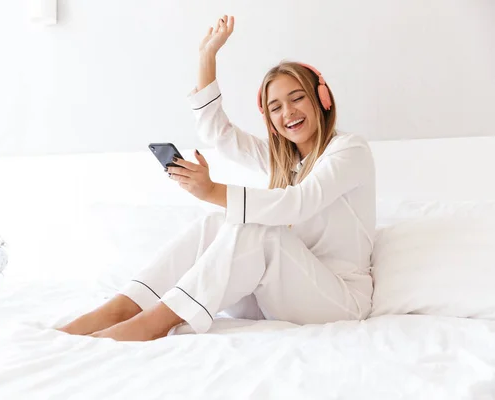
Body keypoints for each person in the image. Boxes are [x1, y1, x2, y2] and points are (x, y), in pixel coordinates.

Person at [57, 15, 376, 341]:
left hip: (339, 300)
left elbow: (297, 204)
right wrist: (206, 57)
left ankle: (153, 323)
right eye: (276, 107)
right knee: (215, 223)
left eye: (297, 98)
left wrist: (211, 190)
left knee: (259, 231)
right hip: (279, 295)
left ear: (322, 99)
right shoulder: (283, 160)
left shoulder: (349, 150)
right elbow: (218, 133)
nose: (288, 113)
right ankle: (122, 307)